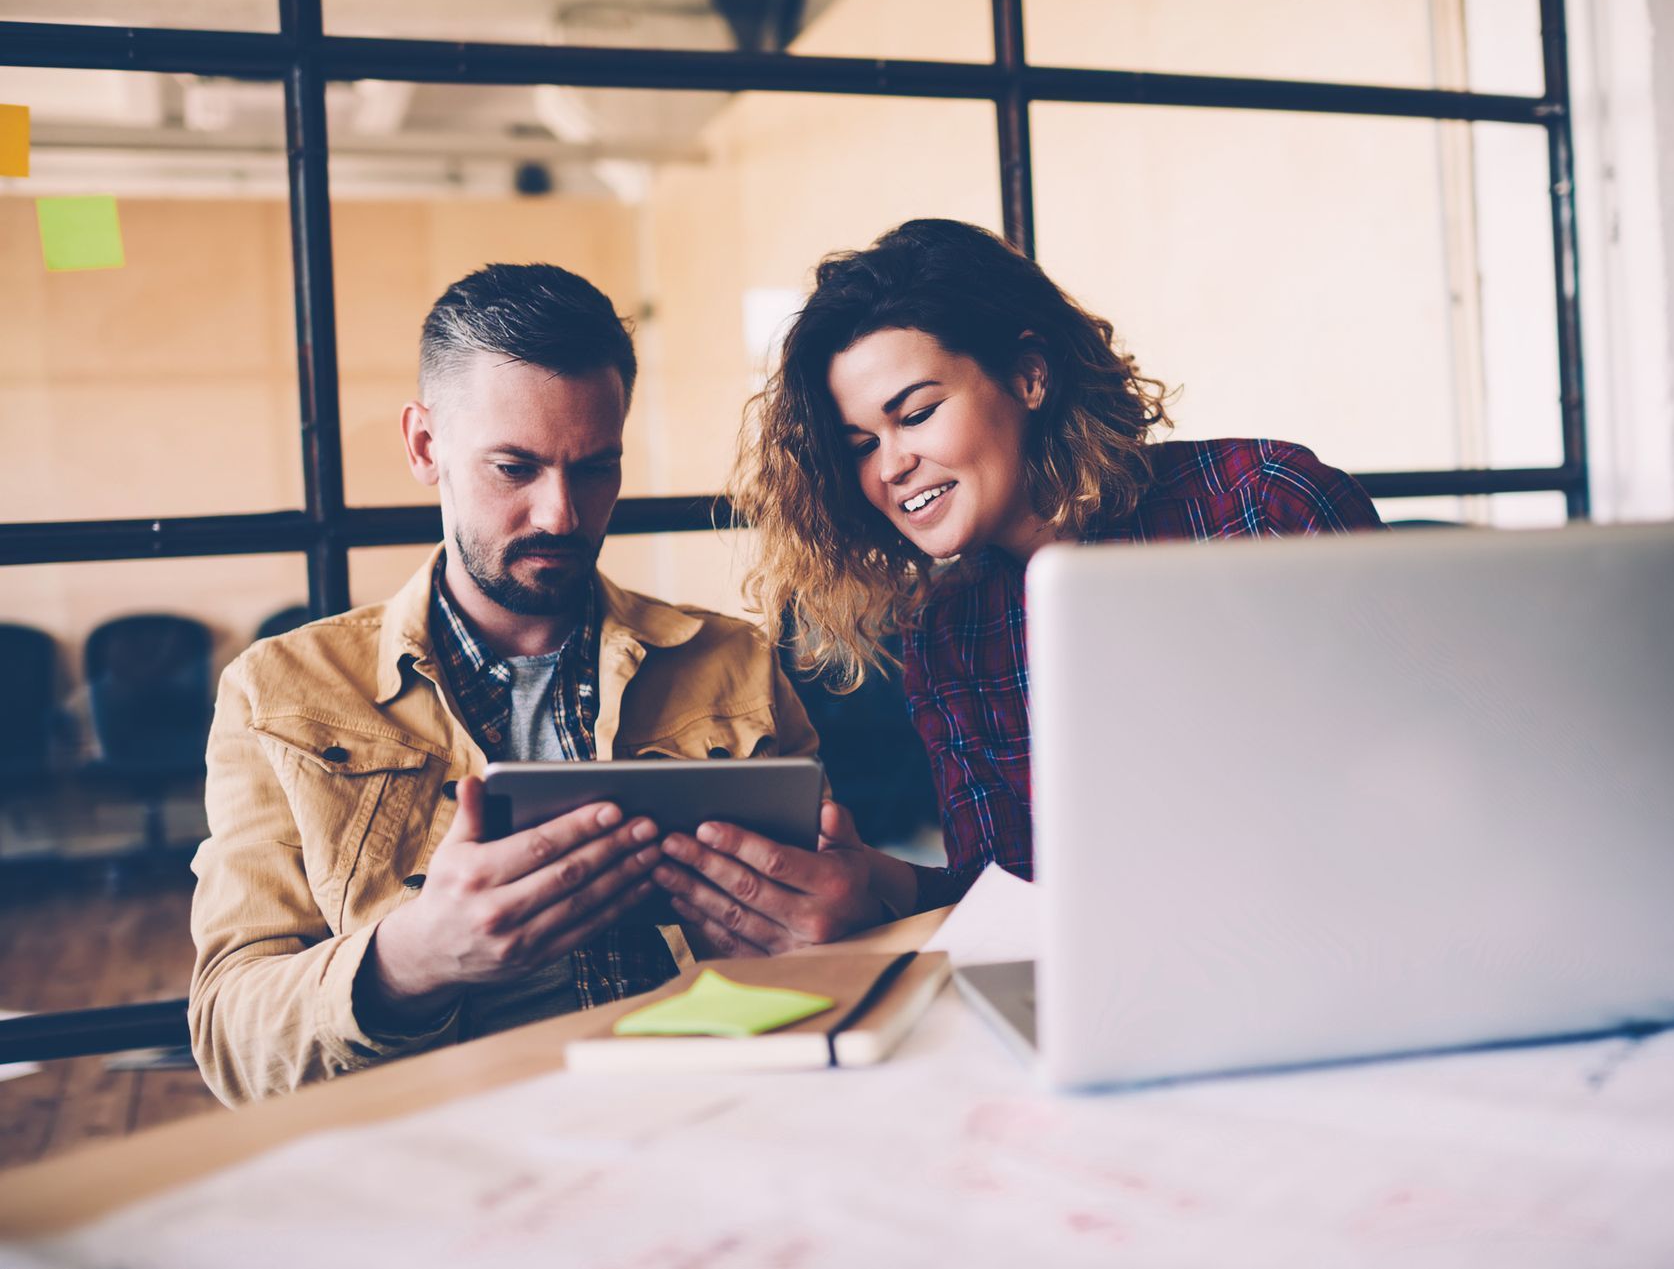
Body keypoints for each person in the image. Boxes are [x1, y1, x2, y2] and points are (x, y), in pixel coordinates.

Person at [188, 263, 902, 1105]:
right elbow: (231, 1044)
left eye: (596, 467)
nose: (563, 514)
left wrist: (832, 917)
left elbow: (825, 954)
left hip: (713, 1110)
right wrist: (414, 956)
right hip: (445, 1153)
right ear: (426, 446)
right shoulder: (278, 692)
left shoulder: (733, 661)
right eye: (514, 468)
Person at [663, 218, 1380, 936]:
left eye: (915, 414)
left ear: (1028, 376)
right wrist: (870, 881)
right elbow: (1011, 892)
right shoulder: (950, 632)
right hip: (1130, 988)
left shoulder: (1262, 504)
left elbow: (1412, 783)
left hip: (1346, 935)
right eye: (860, 445)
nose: (890, 467)